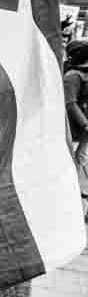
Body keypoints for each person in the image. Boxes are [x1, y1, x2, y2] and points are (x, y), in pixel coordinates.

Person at [64, 40, 88, 216]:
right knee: (68, 161)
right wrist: (85, 123)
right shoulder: (73, 76)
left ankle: (72, 194)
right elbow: (70, 103)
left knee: (79, 161)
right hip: (73, 129)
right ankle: (68, 196)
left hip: (84, 130)